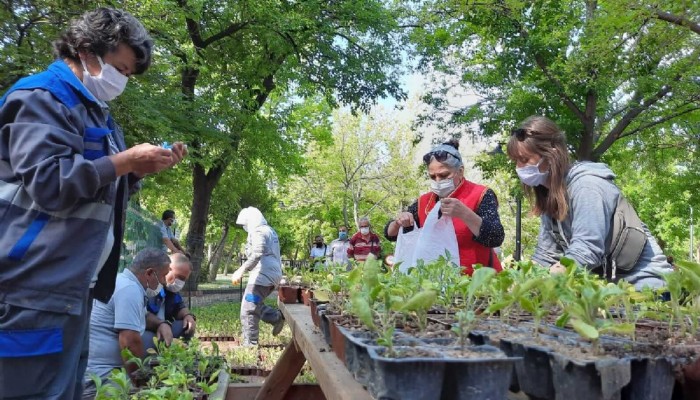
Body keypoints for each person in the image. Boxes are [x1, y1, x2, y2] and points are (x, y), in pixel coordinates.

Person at [0, 8, 187, 399]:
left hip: (71, 286)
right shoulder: (40, 99)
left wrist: (137, 171)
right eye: (120, 68)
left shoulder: (96, 113)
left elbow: (97, 187)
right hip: (30, 284)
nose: (123, 81)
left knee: (62, 390)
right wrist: (123, 161)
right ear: (87, 51)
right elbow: (49, 182)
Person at [506, 115, 672, 289]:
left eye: (524, 159)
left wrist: (546, 281)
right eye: (516, 161)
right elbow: (545, 256)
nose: (519, 167)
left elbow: (587, 250)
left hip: (646, 285)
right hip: (609, 289)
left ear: (551, 154)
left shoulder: (587, 186)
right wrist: (521, 282)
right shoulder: (551, 197)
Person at [385, 140, 505, 275]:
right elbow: (390, 234)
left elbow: (496, 237)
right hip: (437, 282)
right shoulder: (423, 202)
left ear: (460, 171)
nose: (438, 181)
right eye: (432, 176)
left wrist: (465, 214)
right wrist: (398, 222)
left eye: (444, 175)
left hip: (477, 280)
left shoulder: (480, 194)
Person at [83, 249, 171, 398]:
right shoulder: (130, 290)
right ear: (149, 273)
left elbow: (143, 316)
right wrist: (141, 384)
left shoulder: (124, 282)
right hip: (103, 376)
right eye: (163, 275)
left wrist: (161, 324)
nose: (164, 282)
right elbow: (129, 343)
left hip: (98, 368)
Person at [231, 207, 285, 346]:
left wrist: (241, 269)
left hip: (263, 275)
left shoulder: (258, 231)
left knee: (248, 308)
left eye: (245, 223)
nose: (245, 227)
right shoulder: (269, 230)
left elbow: (257, 253)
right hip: (272, 274)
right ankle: (275, 317)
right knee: (254, 304)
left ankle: (250, 344)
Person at [141, 253, 197, 352]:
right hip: (145, 329)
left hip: (163, 327)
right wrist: (160, 324)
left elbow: (179, 306)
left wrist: (188, 315)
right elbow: (141, 315)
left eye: (183, 280)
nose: (180, 282)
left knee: (185, 326)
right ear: (167, 269)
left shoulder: (170, 290)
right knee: (148, 341)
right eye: (178, 276)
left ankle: (175, 354)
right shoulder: (149, 285)